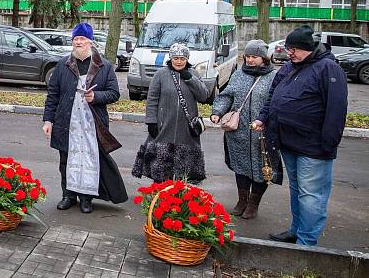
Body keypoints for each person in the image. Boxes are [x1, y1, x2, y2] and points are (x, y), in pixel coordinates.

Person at [253, 25, 347, 246]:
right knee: (297, 190)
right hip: (288, 143)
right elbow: (272, 98)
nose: (290, 53)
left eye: (294, 49)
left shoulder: (328, 69)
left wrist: (328, 144)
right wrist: (262, 118)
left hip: (314, 147)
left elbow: (336, 109)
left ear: (308, 48)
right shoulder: (289, 67)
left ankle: (306, 243)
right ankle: (296, 230)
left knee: (312, 195)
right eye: (288, 48)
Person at [42, 23, 126, 213]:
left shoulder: (103, 66)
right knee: (66, 160)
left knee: (90, 159)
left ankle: (86, 198)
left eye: (82, 39)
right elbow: (53, 95)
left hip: (92, 123)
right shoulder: (63, 65)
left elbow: (114, 93)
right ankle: (68, 195)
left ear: (90, 41)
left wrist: (96, 97)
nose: (78, 42)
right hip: (67, 122)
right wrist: (48, 121)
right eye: (75, 39)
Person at [211, 40, 281, 219]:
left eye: (254, 57)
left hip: (262, 134)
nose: (250, 60)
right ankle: (242, 200)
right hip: (238, 132)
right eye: (248, 56)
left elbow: (277, 104)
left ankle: (253, 204)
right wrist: (218, 112)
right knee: (240, 166)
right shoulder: (238, 74)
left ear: (264, 58)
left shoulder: (274, 77)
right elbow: (226, 96)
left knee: (261, 169)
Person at [132, 42, 209, 184]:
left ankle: (179, 196)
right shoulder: (161, 74)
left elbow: (203, 96)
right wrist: (151, 121)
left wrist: (189, 78)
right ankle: (159, 196)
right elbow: (152, 99)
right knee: (161, 166)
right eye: (176, 58)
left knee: (183, 168)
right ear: (170, 58)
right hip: (164, 126)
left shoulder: (193, 74)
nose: (179, 61)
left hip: (186, 129)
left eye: (182, 58)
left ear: (187, 59)